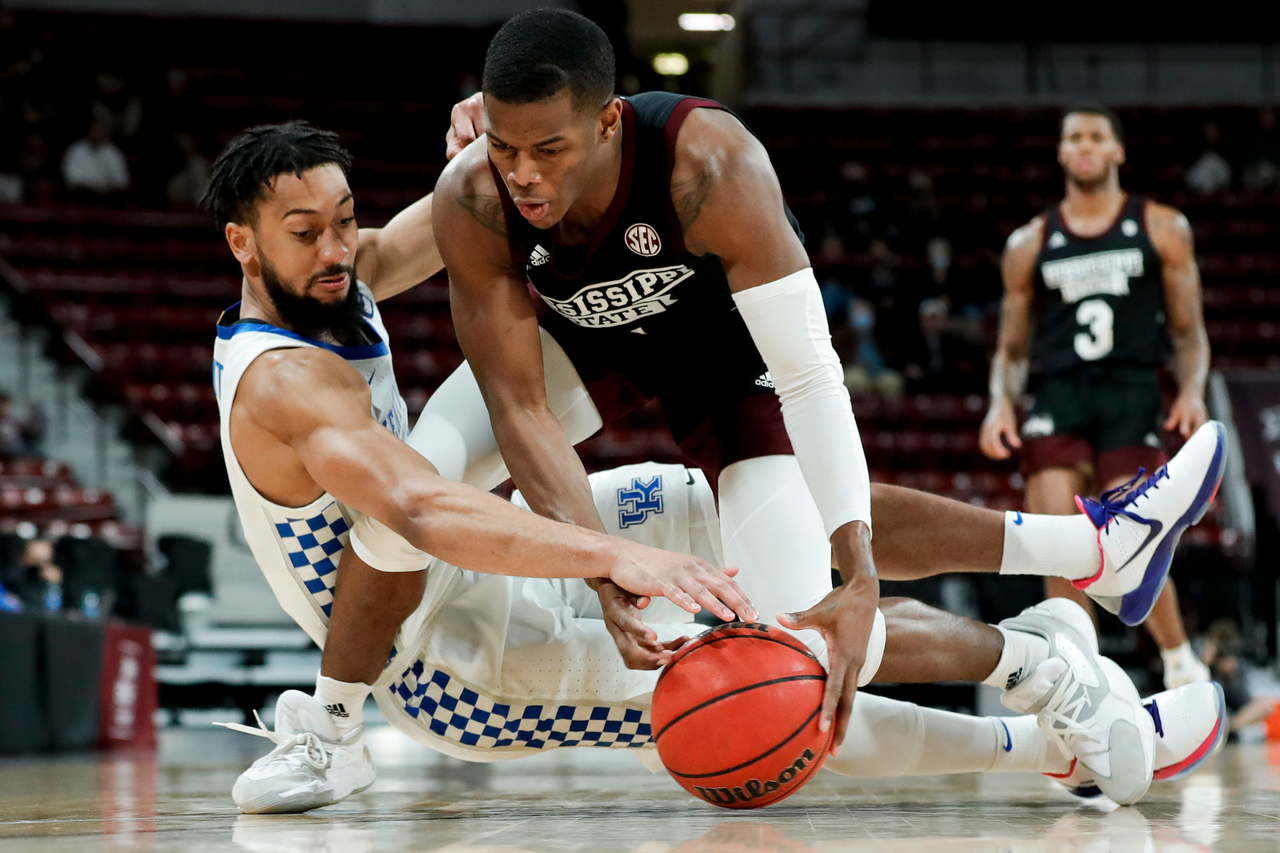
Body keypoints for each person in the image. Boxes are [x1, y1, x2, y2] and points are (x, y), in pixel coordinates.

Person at [203, 118, 1225, 814]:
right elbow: (423, 513)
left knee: (741, 500)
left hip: (463, 549)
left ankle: (1090, 549)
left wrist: (494, 149)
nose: (340, 245)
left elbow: (461, 208)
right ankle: (1055, 721)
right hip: (445, 657)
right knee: (764, 676)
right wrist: (607, 558)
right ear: (243, 246)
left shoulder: (342, 278)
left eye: (344, 218)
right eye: (308, 233)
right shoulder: (285, 383)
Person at [429, 9, 1222, 744]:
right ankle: (344, 705)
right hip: (589, 335)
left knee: (794, 647)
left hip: (725, 352)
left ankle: (1038, 656)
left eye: (549, 150)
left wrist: (862, 570)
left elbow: (809, 375)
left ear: (607, 121)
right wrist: (602, 569)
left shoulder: (709, 163)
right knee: (426, 464)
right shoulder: (472, 195)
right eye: (505, 147)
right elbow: (519, 409)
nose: (523, 174)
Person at [980, 103, 1213, 690]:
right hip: (1059, 392)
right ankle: (1082, 681)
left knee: (1131, 537)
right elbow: (1011, 348)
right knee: (1058, 539)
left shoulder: (1162, 226)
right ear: (1061, 153)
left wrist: (1192, 390)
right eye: (1074, 138)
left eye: (1096, 137)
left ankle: (1180, 661)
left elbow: (1188, 331)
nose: (1084, 146)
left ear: (1117, 151)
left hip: (1132, 391)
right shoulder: (1030, 241)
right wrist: (999, 403)